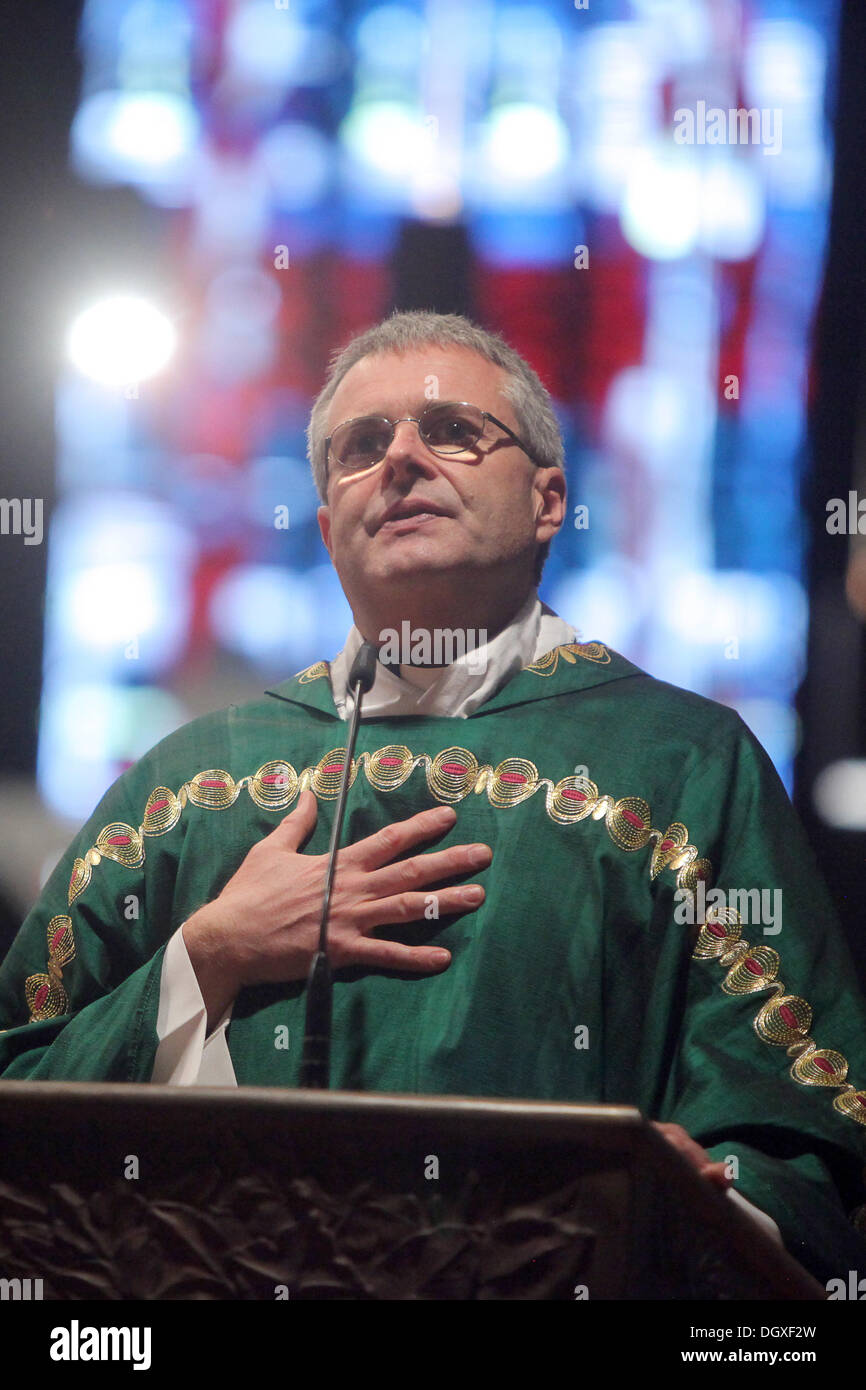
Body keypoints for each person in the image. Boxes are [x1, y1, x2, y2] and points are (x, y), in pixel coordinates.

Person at [1, 310, 865, 1287]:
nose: (401, 459)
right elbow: (18, 1092)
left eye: (451, 430)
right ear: (327, 526)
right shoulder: (184, 787)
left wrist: (695, 1195)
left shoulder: (679, 765)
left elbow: (798, 1110)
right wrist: (207, 956)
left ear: (548, 500)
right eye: (361, 447)